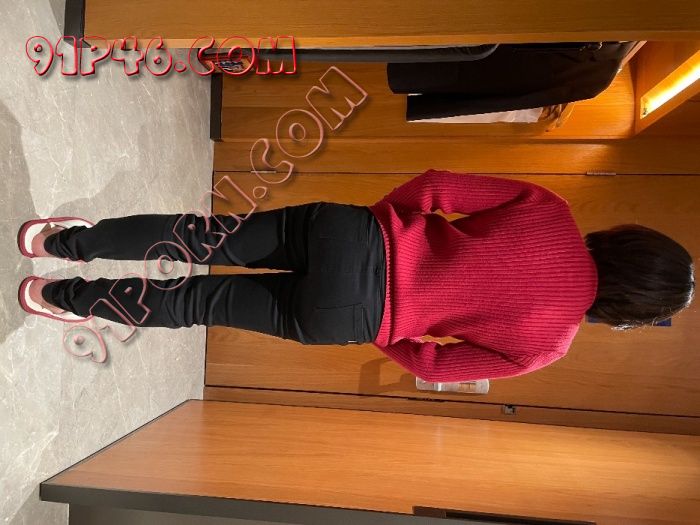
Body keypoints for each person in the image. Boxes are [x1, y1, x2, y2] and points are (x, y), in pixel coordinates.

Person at [17, 170, 695, 382]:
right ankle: (57, 296)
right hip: (350, 315)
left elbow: (434, 187)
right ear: (629, 312)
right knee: (200, 302)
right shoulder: (549, 347)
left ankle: (61, 241)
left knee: (200, 235)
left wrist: (379, 223)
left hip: (355, 235)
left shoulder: (551, 211)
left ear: (629, 240)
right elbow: (433, 365)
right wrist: (383, 328)